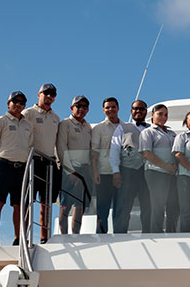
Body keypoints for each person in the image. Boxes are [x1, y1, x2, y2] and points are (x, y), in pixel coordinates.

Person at [0, 91, 32, 246]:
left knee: (19, 205)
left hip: (21, 168)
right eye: (15, 101)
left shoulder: (28, 125)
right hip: (3, 166)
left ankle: (19, 238)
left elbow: (30, 145)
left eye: (22, 102)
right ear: (8, 103)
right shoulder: (0, 121)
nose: (18, 105)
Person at [21, 83, 61, 243]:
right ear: (39, 95)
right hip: (32, 161)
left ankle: (44, 237)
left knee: (46, 203)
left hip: (49, 163)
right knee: (27, 201)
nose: (49, 96)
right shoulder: (28, 113)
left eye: (52, 94)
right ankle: (23, 236)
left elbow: (57, 142)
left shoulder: (55, 118)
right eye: (46, 93)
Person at [109, 100, 150, 233]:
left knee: (148, 205)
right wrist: (116, 172)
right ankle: (119, 235)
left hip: (147, 172)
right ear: (131, 111)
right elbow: (114, 150)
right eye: (135, 109)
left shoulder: (152, 128)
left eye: (141, 109)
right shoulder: (122, 128)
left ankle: (149, 234)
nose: (138, 111)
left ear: (146, 111)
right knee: (123, 205)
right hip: (127, 172)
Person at [56, 95, 94, 235]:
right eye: (79, 106)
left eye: (85, 107)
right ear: (72, 108)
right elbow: (61, 147)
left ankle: (75, 235)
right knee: (65, 205)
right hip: (69, 170)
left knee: (80, 205)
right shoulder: (65, 124)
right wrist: (70, 171)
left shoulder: (88, 126)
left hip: (85, 169)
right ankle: (64, 235)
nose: (82, 109)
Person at [139, 104, 178, 233]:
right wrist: (166, 166)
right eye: (160, 114)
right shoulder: (148, 132)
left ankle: (172, 232)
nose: (163, 117)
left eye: (165, 114)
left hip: (172, 174)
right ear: (152, 115)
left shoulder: (172, 133)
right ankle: (157, 232)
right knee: (158, 205)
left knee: (173, 205)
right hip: (155, 173)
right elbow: (146, 153)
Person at [91, 97, 122, 233]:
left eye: (113, 107)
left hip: (122, 173)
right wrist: (95, 172)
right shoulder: (98, 128)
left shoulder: (125, 127)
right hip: (103, 173)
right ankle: (101, 238)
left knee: (120, 208)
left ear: (118, 108)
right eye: (107, 107)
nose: (110, 109)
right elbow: (94, 153)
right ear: (103, 110)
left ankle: (120, 236)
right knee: (102, 209)